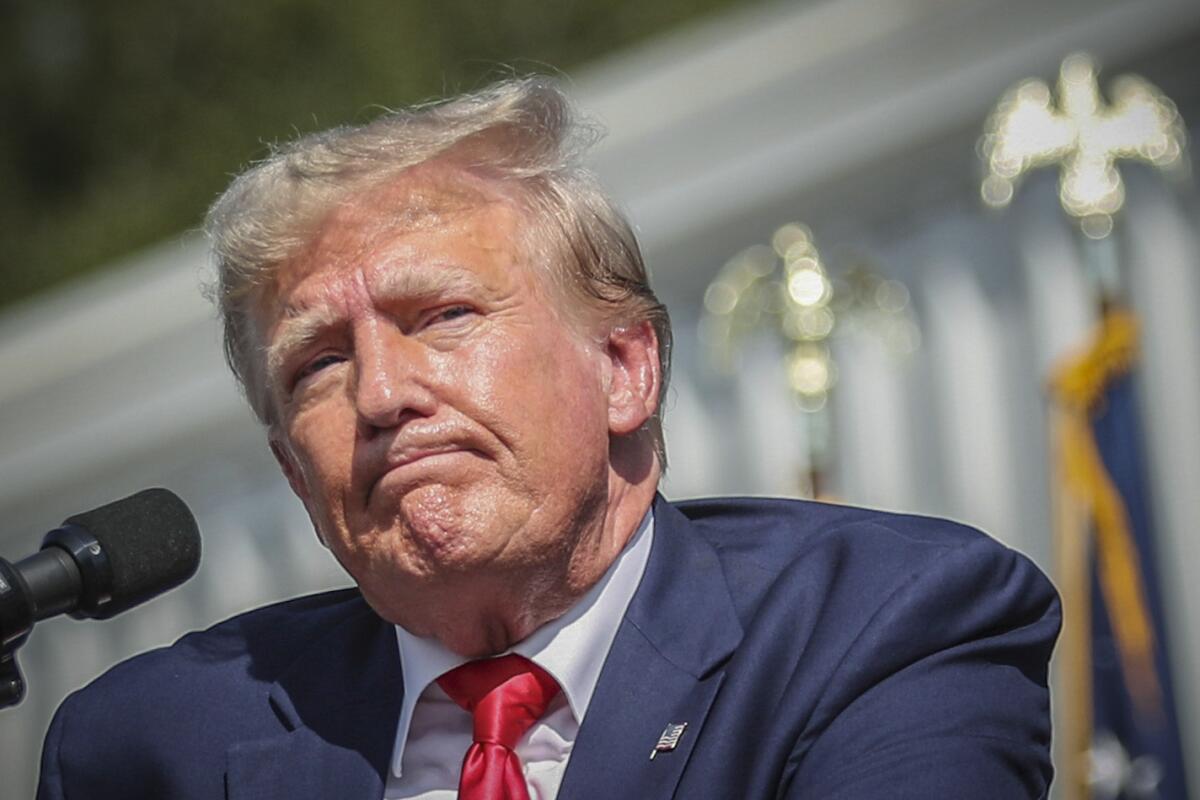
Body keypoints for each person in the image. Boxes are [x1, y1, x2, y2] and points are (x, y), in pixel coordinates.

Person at [37, 78, 1059, 800]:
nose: (384, 392)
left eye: (442, 315)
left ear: (624, 368)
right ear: (294, 474)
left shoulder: (881, 632)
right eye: (319, 364)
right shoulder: (151, 745)